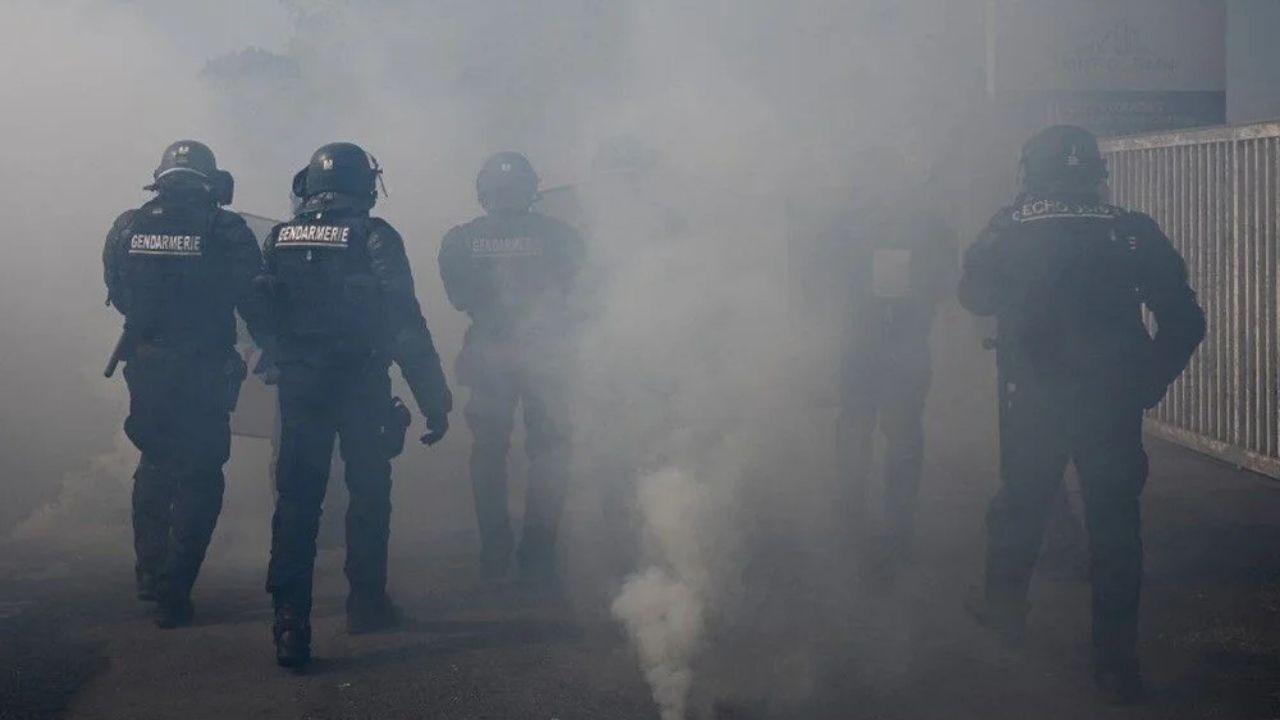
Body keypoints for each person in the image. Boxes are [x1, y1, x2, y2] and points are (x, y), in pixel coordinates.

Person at [959, 125, 1205, 703]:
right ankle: (1115, 667)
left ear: (1030, 171)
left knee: (1019, 512)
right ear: (1096, 173)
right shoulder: (1130, 230)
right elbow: (1186, 321)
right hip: (1110, 407)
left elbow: (975, 298)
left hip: (1036, 402)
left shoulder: (1008, 227)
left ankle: (1002, 630)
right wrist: (1144, 383)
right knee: (1116, 533)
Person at [261, 142, 452, 668]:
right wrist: (434, 397)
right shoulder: (374, 235)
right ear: (364, 185)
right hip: (362, 385)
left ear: (308, 185)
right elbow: (404, 323)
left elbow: (261, 310)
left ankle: (289, 626)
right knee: (368, 495)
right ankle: (366, 605)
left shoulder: (279, 236)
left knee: (297, 504)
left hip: (301, 389)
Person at [103, 140, 272, 628]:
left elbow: (117, 291)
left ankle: (151, 575)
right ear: (210, 181)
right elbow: (253, 297)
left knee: (155, 461)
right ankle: (176, 589)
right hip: (203, 363)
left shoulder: (128, 225)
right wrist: (273, 349)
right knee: (201, 471)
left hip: (147, 363)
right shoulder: (224, 228)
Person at [439, 151, 585, 586]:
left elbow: (460, 299)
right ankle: (538, 557)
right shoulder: (562, 236)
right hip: (548, 356)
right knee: (549, 455)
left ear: (483, 193)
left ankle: (494, 554)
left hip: (489, 355)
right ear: (531, 190)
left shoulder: (460, 240)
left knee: (488, 456)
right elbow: (580, 293)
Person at [831, 148, 955, 573]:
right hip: (899, 343)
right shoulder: (929, 225)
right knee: (895, 433)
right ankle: (894, 531)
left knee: (859, 429)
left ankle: (855, 526)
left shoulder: (849, 222)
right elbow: (947, 283)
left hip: (868, 343)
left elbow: (819, 277)